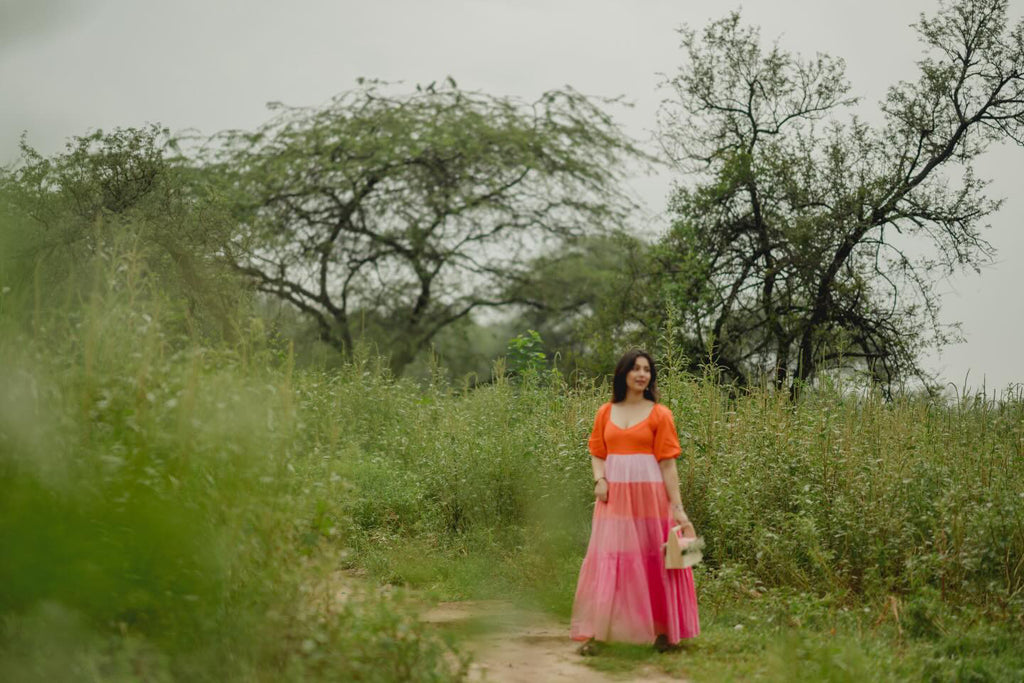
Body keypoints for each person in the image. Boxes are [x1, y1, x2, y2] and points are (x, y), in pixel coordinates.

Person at [570, 349, 700, 654]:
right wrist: (599, 479)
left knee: (656, 561)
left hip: (650, 498)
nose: (642, 374)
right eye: (636, 368)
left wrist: (678, 509)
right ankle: (602, 635)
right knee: (611, 559)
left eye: (647, 370)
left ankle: (665, 634)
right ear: (623, 373)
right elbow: (597, 452)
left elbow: (668, 464)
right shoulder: (605, 412)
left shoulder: (660, 414)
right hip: (614, 498)